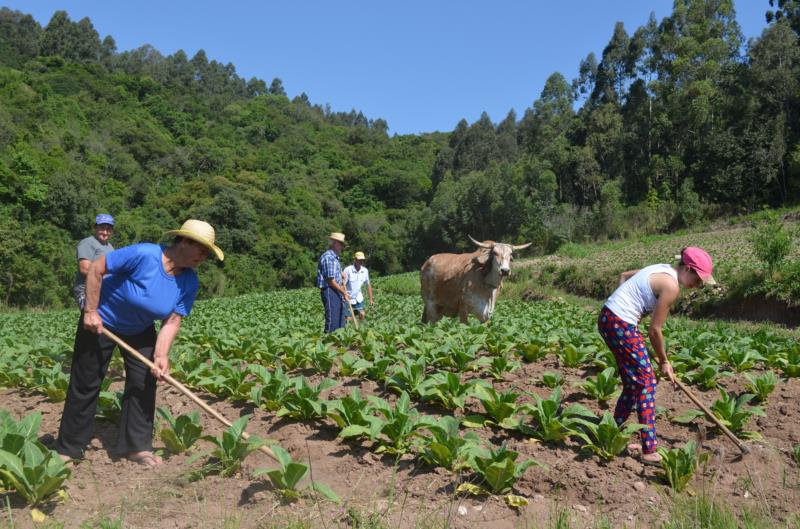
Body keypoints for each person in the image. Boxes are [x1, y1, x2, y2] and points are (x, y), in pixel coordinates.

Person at [56, 219, 223, 467]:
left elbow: (173, 319)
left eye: (208, 252)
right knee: (86, 381)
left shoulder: (189, 281)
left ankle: (137, 447)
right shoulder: (144, 254)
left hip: (140, 328)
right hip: (102, 318)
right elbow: (96, 268)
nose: (204, 256)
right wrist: (90, 310)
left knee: (144, 382)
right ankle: (69, 448)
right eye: (202, 249)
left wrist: (161, 355)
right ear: (185, 242)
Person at [597, 247, 715, 465]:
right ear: (687, 268)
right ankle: (649, 449)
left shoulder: (660, 269)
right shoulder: (671, 286)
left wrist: (626, 310)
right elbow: (655, 331)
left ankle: (610, 433)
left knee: (633, 384)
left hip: (608, 318)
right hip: (620, 324)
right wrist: (664, 361)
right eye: (697, 280)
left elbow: (624, 276)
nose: (697, 286)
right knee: (647, 383)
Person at [74, 214, 116, 309]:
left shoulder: (110, 247)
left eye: (108, 229)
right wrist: (107, 277)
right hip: (87, 288)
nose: (105, 232)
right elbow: (84, 269)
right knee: (91, 314)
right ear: (95, 228)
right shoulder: (88, 243)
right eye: (102, 228)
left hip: (104, 288)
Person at [316, 232, 349, 333]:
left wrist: (341, 274)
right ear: (334, 243)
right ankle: (327, 344)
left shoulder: (335, 258)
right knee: (333, 320)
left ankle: (338, 344)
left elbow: (334, 276)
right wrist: (343, 291)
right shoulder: (329, 257)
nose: (342, 247)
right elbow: (330, 280)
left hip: (335, 290)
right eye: (341, 244)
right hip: (330, 290)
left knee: (340, 318)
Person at [343, 251, 374, 322]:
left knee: (362, 314)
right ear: (355, 259)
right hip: (348, 298)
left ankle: (360, 329)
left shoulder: (365, 271)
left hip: (358, 298)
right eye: (359, 260)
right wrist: (344, 295)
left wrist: (371, 299)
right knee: (348, 319)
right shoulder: (348, 270)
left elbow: (368, 285)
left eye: (362, 260)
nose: (361, 261)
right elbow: (343, 284)